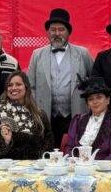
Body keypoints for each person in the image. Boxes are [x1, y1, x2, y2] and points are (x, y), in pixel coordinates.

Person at [27, 8, 94, 149]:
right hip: (46, 116)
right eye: (53, 30)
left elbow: (94, 83)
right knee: (48, 152)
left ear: (68, 32)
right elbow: (30, 87)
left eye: (61, 29)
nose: (57, 33)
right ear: (48, 32)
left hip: (75, 114)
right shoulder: (37, 55)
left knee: (75, 151)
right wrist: (35, 111)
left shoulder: (83, 54)